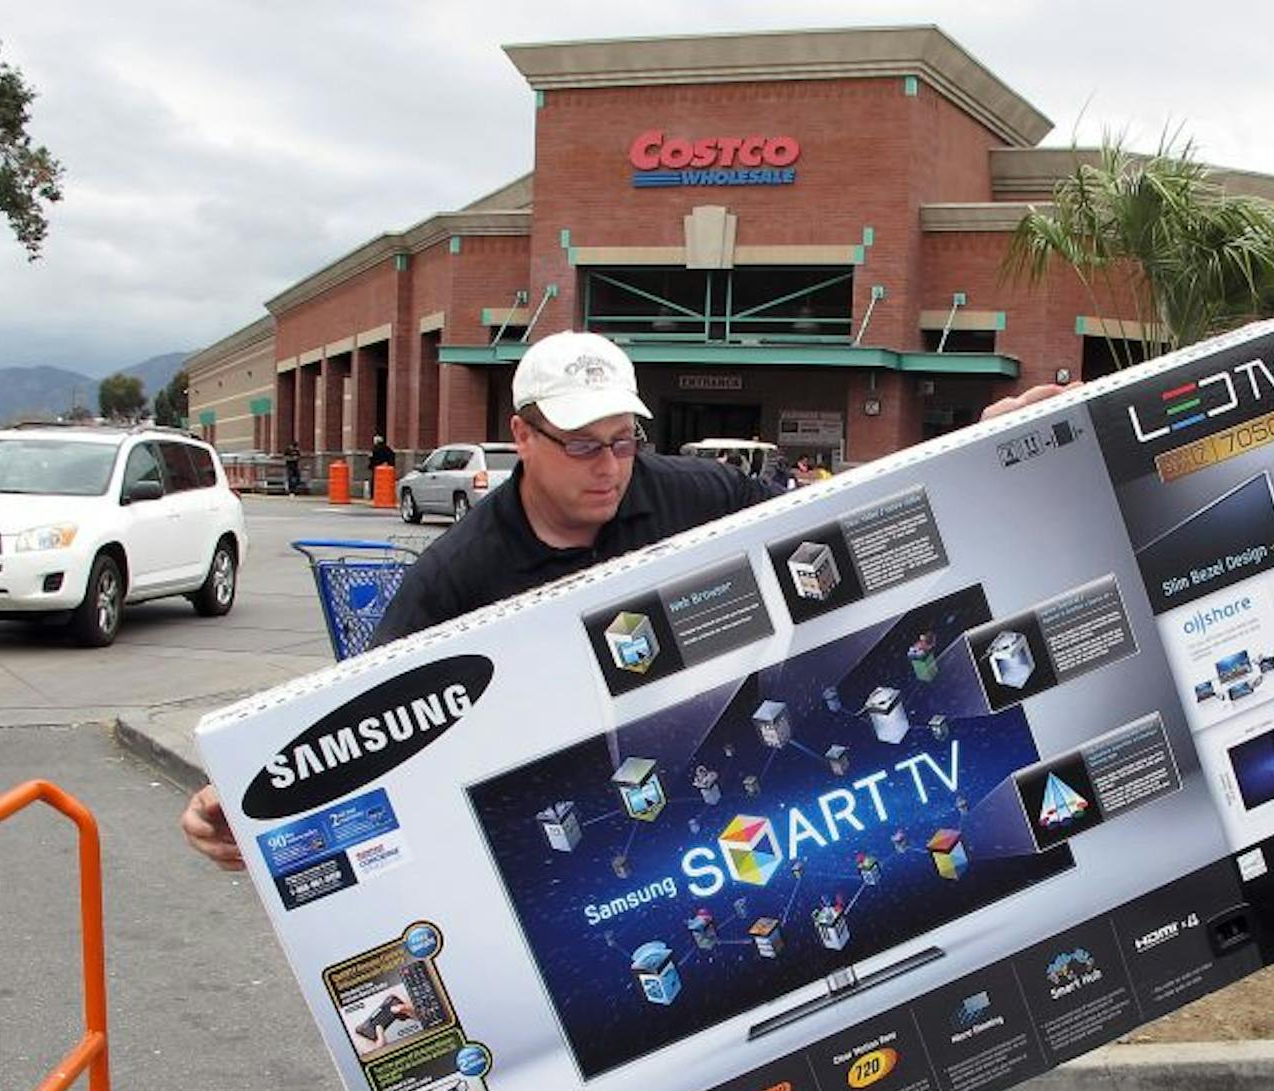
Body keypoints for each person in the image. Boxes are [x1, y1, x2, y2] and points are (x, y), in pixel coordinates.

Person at [179, 356, 1069, 867]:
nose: (607, 467)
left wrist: (975, 447)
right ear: (521, 438)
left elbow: (839, 526)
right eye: (579, 446)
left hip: (713, 775)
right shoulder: (460, 571)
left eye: (620, 441)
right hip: (570, 814)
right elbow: (354, 712)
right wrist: (253, 803)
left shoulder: (695, 491)